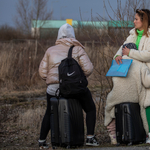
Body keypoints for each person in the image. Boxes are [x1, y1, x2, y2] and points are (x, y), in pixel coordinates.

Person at [38, 23, 99, 149]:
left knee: (50, 111)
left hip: (54, 89)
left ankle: (42, 141)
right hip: (74, 88)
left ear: (59, 35)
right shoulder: (77, 49)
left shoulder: (50, 50)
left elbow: (42, 73)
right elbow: (88, 69)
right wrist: (77, 78)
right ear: (73, 35)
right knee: (90, 108)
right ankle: (90, 137)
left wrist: (53, 81)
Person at [108, 9, 150, 144]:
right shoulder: (132, 34)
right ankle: (125, 133)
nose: (134, 21)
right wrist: (118, 56)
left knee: (147, 101)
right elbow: (122, 48)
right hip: (130, 72)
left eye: (137, 19)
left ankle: (148, 133)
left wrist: (130, 53)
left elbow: (148, 54)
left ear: (144, 21)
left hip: (146, 72)